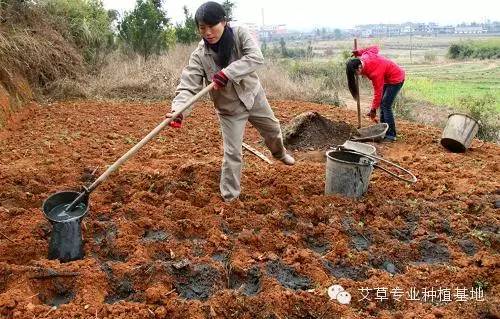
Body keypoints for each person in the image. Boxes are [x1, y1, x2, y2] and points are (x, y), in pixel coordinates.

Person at [166, 1, 295, 202]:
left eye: (212, 26)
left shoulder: (239, 34)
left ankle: (279, 154)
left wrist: (227, 73)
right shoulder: (200, 55)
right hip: (229, 110)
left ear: (224, 22)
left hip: (253, 96)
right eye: (202, 28)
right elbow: (188, 85)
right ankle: (230, 197)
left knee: (273, 129)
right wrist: (179, 110)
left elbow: (256, 57)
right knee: (232, 153)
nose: (207, 32)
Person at [346, 46, 405, 141]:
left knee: (386, 105)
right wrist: (358, 52)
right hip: (387, 78)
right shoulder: (365, 56)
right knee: (383, 103)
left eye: (356, 73)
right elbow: (375, 48)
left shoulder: (374, 73)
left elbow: (378, 92)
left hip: (396, 78)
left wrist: (373, 109)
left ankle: (391, 135)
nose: (357, 75)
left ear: (359, 67)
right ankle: (383, 129)